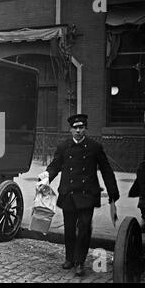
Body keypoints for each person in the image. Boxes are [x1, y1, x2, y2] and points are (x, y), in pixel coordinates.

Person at [37, 114, 120, 277]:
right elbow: (55, 165)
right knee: (69, 228)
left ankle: (80, 262)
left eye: (81, 127)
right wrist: (46, 176)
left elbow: (106, 170)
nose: (78, 131)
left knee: (84, 227)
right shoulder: (63, 147)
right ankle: (69, 258)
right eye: (75, 128)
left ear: (85, 129)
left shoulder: (95, 147)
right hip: (68, 193)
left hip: (87, 194)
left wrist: (113, 192)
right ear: (70, 129)